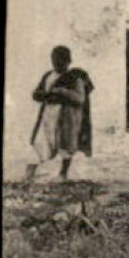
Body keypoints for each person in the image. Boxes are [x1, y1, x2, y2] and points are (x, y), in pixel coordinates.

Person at [26, 46, 93, 182]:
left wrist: (62, 91)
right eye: (54, 61)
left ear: (68, 61)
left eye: (60, 62)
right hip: (48, 115)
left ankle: (62, 175)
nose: (56, 64)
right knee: (39, 143)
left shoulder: (75, 78)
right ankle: (28, 176)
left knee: (65, 147)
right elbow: (36, 93)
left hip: (66, 117)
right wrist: (44, 95)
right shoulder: (48, 76)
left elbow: (80, 98)